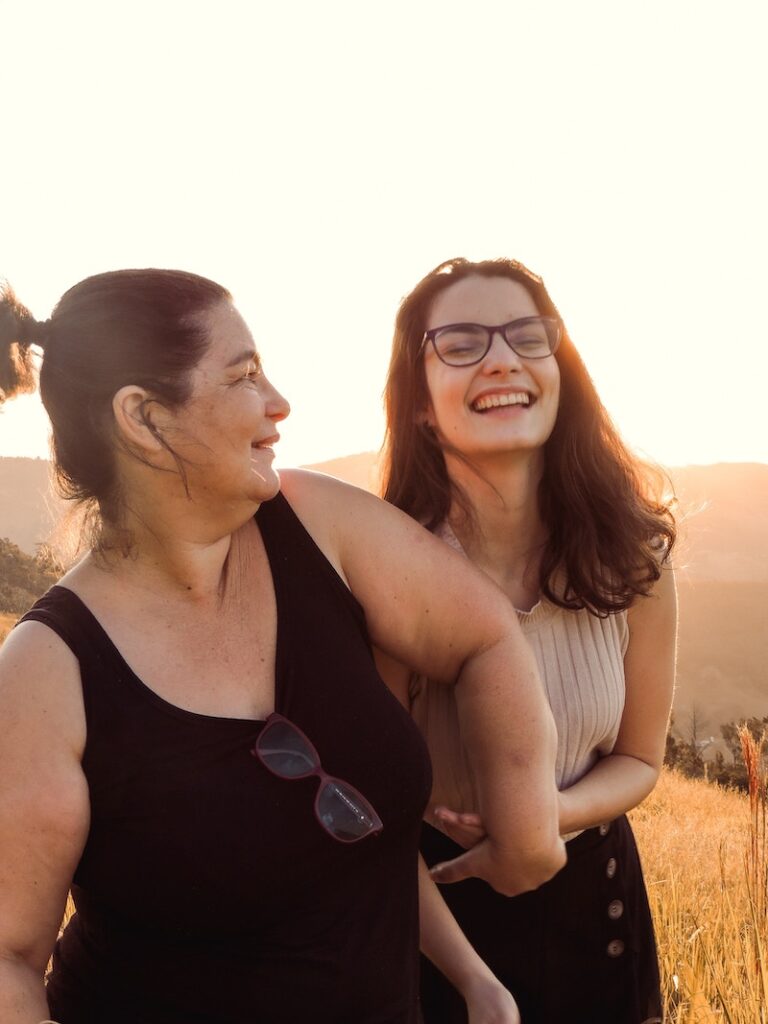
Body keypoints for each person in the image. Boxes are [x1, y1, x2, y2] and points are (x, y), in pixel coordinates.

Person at [0, 269, 565, 1024]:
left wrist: (521, 834)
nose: (278, 404)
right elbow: (9, 958)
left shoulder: (318, 524)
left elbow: (484, 636)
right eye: (244, 376)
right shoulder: (47, 671)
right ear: (144, 417)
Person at [379, 257, 678, 1024]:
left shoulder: (633, 559)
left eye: (525, 336)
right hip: (439, 936)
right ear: (419, 404)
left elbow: (641, 760)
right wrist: (477, 986)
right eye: (462, 342)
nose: (502, 358)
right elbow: (373, 823)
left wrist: (544, 814)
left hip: (600, 919)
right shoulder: (386, 579)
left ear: (558, 367)